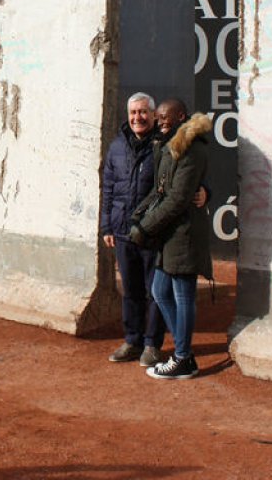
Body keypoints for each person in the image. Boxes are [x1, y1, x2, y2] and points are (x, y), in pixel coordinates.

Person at [130, 99, 214, 380]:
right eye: (160, 117)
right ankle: (184, 353)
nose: (163, 121)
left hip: (184, 234)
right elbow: (160, 190)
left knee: (182, 295)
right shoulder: (167, 144)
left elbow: (178, 198)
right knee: (160, 292)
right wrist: (139, 218)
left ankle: (182, 357)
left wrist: (146, 228)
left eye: (168, 117)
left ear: (182, 116)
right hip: (170, 235)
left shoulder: (191, 147)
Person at [99, 92, 166, 367]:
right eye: (133, 113)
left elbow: (179, 182)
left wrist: (204, 191)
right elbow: (108, 187)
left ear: (152, 115)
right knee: (131, 290)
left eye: (143, 112)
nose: (138, 117)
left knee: (154, 292)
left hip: (152, 233)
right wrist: (107, 225)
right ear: (128, 116)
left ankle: (152, 345)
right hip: (122, 231)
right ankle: (132, 340)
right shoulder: (116, 147)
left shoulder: (164, 145)